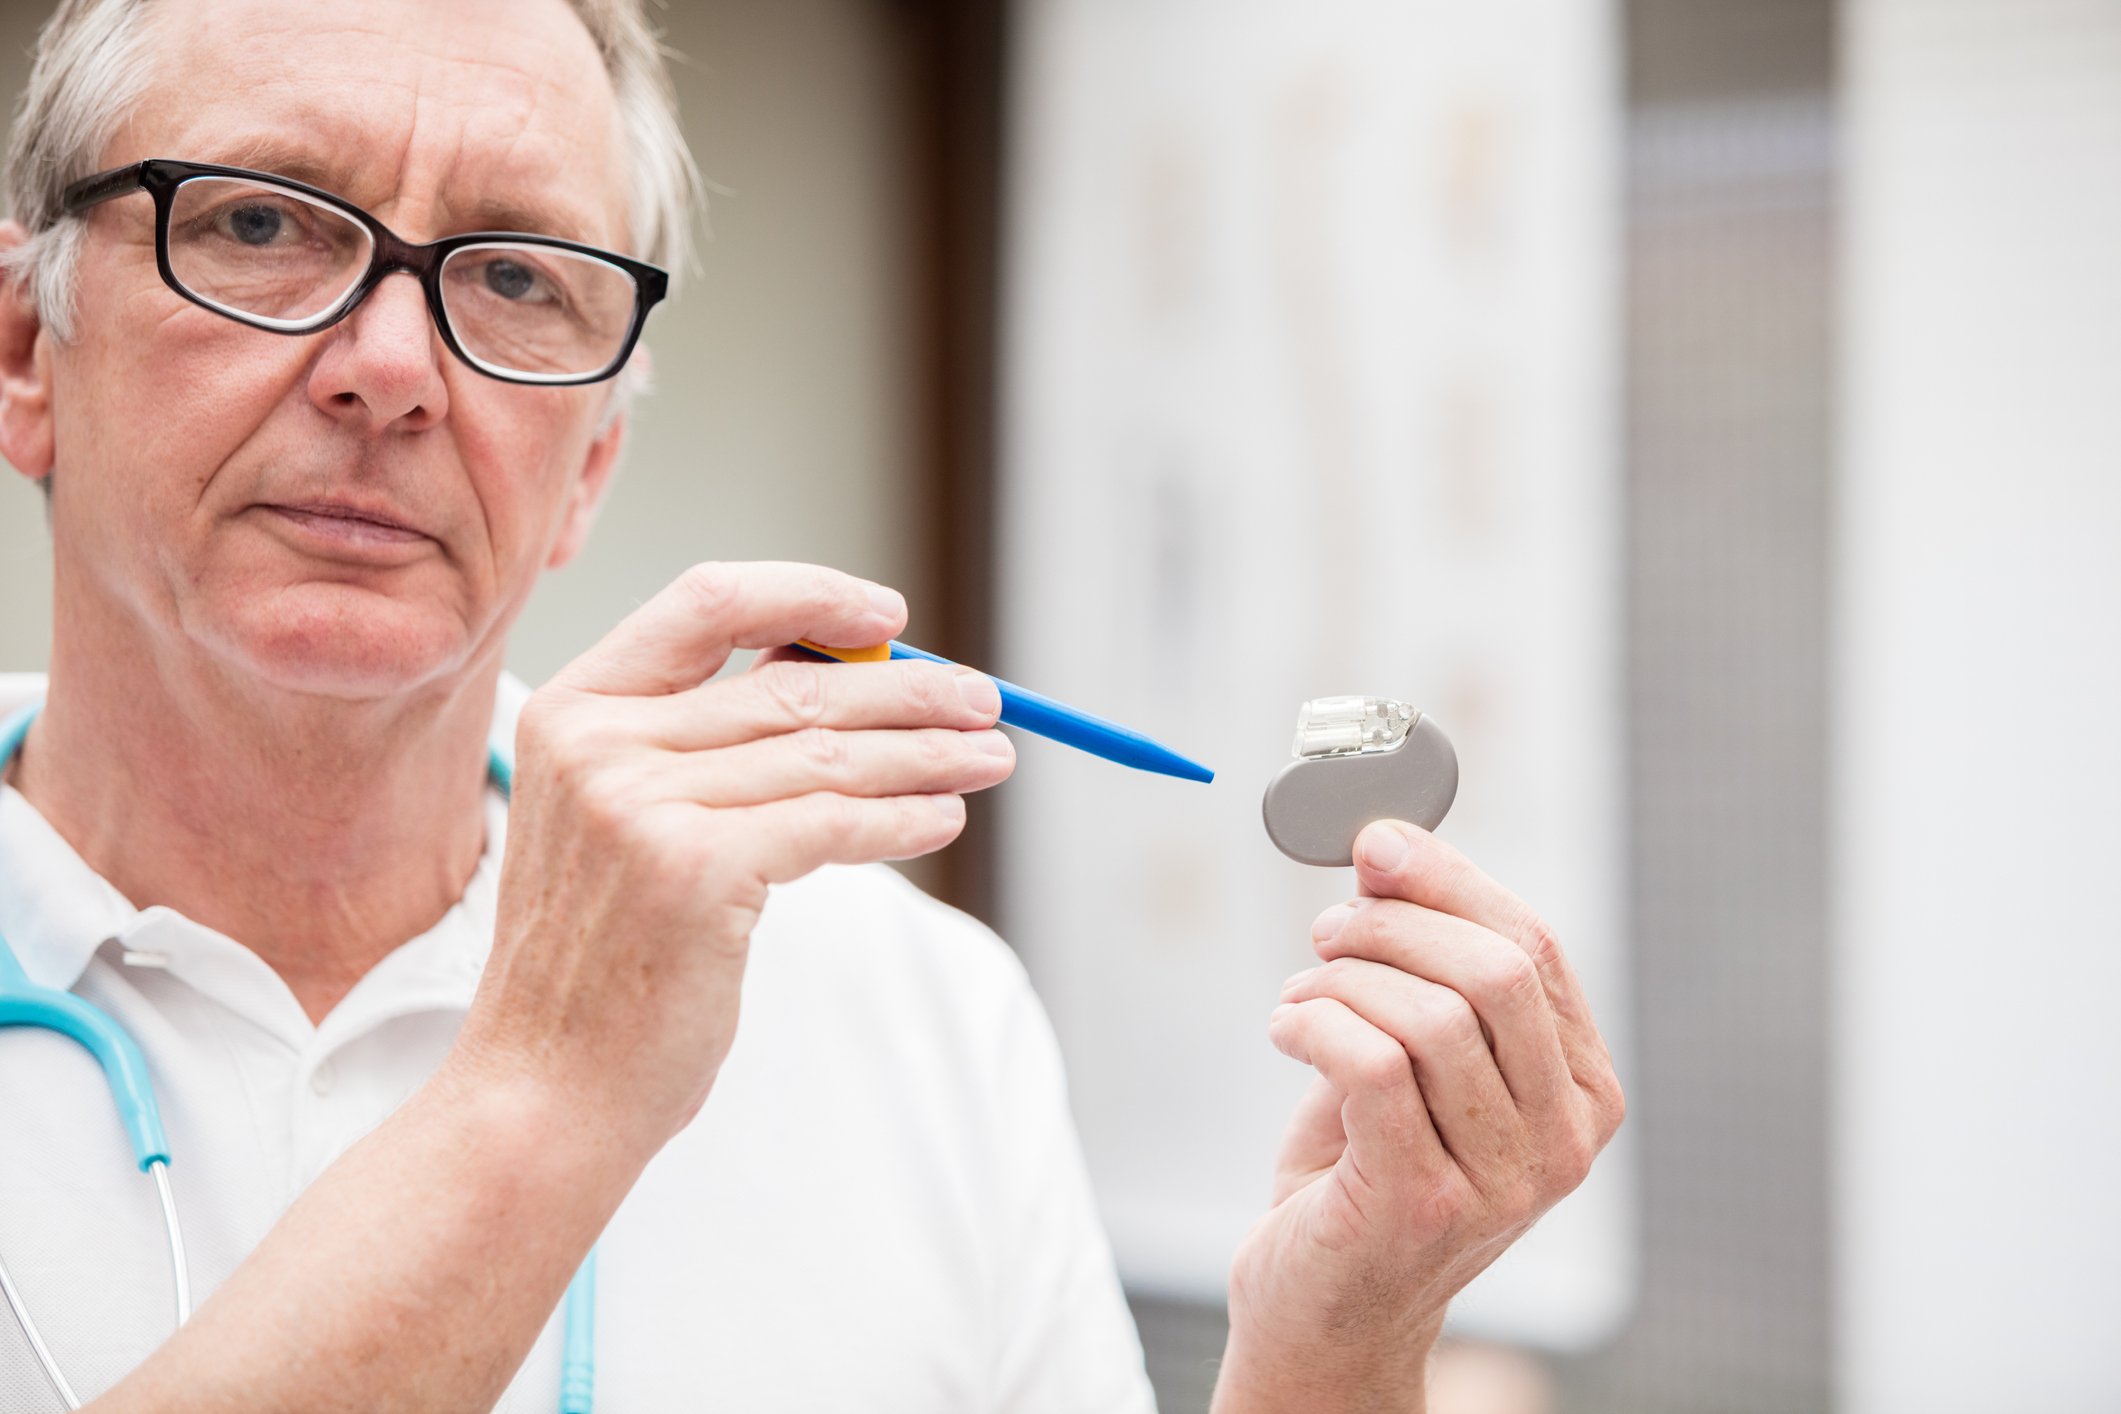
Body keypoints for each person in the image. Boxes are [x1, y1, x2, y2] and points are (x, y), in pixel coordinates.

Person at [0, 0, 1626, 1408]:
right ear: (26, 347)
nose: (393, 365)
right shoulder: (618, 1052)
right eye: (262, 225)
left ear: (586, 476)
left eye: (511, 276)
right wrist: (545, 1095)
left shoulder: (913, 1009)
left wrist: (1335, 1352)